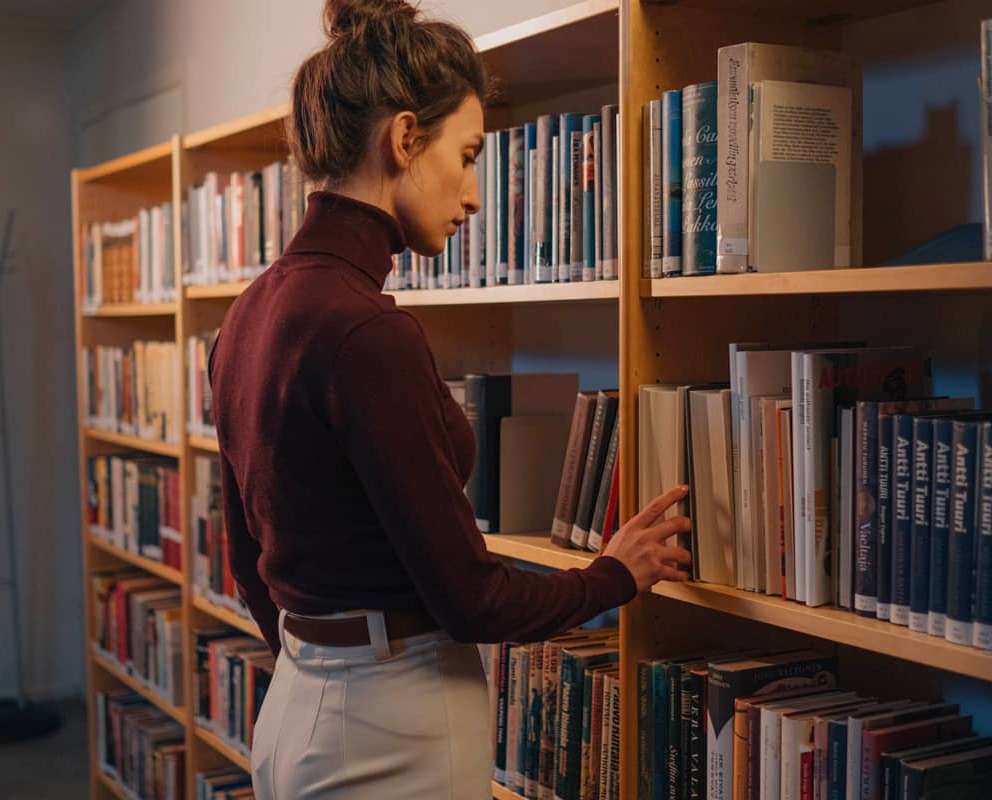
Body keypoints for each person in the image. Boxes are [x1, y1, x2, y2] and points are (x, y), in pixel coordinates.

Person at [207, 1, 692, 797]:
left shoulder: (246, 317)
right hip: (390, 721)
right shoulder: (367, 333)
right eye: (466, 156)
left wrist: (322, 663)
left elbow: (249, 566)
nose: (473, 195)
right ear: (403, 139)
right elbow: (471, 600)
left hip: (296, 701)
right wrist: (612, 577)